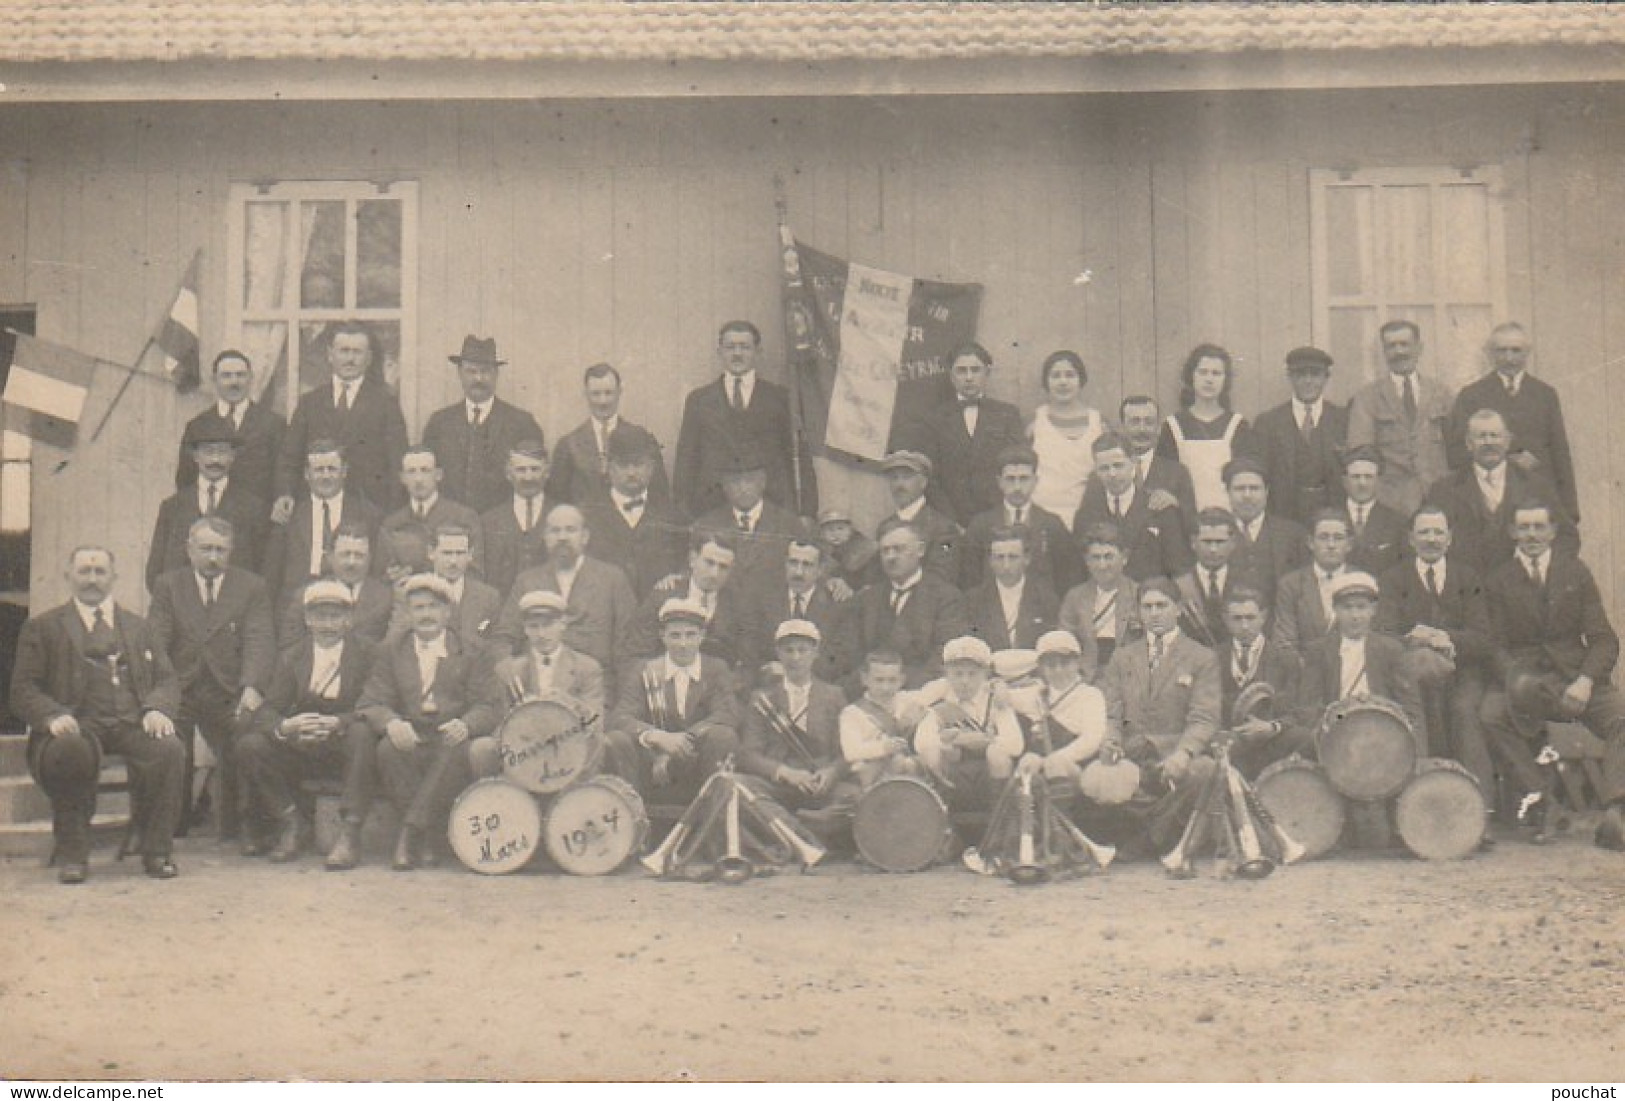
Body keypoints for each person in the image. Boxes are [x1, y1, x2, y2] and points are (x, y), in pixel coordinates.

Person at [10, 547, 186, 882]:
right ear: (69, 577)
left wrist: (157, 709)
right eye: (84, 571)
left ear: (113, 578)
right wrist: (52, 716)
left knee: (169, 748)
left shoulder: (138, 627)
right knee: (69, 749)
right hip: (77, 725)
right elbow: (22, 690)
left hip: (130, 722)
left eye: (100, 572)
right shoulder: (43, 627)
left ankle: (158, 851)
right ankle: (74, 854)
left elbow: (167, 679)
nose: (92, 579)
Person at [1478, 501, 1625, 850]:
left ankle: (1616, 809)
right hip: (1526, 679)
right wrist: (1518, 680)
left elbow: (1604, 639)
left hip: (1575, 675)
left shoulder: (1575, 572)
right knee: (1490, 715)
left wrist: (1586, 681)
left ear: (1553, 532)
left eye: (1539, 527)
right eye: (1524, 528)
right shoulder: (1498, 580)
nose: (1531, 535)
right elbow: (1494, 646)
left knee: (1621, 716)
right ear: (1513, 532)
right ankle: (1545, 801)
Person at [147, 517, 276, 842]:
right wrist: (162, 693)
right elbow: (156, 639)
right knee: (166, 741)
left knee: (247, 735)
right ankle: (166, 826)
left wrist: (251, 686)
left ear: (230, 552)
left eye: (220, 550)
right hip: (180, 688)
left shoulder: (251, 586)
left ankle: (244, 825)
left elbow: (259, 638)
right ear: (189, 550)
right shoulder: (168, 584)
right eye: (205, 549)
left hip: (228, 689)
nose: (213, 557)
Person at [358, 574, 498, 871]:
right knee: (386, 749)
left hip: (450, 735)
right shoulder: (392, 650)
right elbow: (371, 701)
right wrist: (392, 722)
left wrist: (467, 724)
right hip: (412, 733)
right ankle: (429, 836)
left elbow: (488, 705)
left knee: (454, 750)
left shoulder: (472, 650)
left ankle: (409, 834)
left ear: (447, 613)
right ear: (408, 614)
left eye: (434, 607)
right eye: (419, 608)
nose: (426, 615)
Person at [235, 580, 379, 865]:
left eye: (335, 616)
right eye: (320, 616)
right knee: (250, 745)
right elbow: (268, 711)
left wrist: (338, 722)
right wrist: (288, 727)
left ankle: (349, 832)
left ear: (348, 619)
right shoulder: (293, 657)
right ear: (307, 619)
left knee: (362, 734)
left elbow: (373, 704)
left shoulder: (366, 654)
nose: (327, 624)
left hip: (344, 745)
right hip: (303, 746)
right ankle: (290, 820)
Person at [1376, 506, 1496, 801]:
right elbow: (1384, 633)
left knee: (1463, 711)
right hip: (1412, 675)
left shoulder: (1468, 578)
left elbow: (1483, 638)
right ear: (1410, 539)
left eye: (1438, 532)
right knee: (1413, 713)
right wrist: (1414, 639)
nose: (1431, 539)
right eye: (1424, 532)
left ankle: (1478, 805)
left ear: (1450, 538)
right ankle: (1416, 803)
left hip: (1463, 673)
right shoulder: (1393, 578)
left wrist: (1446, 637)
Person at [1097, 576, 1222, 857]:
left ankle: (1147, 840)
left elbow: (1204, 717)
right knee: (1098, 777)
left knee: (1204, 771)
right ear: (1139, 612)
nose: (1154, 613)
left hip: (1174, 754)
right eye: (1147, 607)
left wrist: (1183, 753)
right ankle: (1162, 834)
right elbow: (1112, 712)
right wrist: (1112, 742)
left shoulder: (1202, 657)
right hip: (1133, 754)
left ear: (1178, 609)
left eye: (1161, 606)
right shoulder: (1122, 657)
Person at [673, 320, 816, 520]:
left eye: (745, 347)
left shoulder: (781, 398)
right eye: (730, 347)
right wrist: (683, 509)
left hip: (770, 505)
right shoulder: (699, 400)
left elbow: (799, 455)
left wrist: (807, 511)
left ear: (758, 351)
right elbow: (686, 459)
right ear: (719, 351)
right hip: (712, 505)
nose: (737, 354)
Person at [607, 598, 739, 804]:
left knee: (723, 735)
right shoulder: (646, 669)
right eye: (675, 636)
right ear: (663, 637)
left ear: (702, 636)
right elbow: (620, 717)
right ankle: (631, 817)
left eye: (690, 635)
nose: (683, 644)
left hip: (697, 763)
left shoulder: (715, 669)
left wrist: (681, 741)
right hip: (651, 768)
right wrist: (657, 736)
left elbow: (727, 714)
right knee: (616, 739)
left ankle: (712, 819)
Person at [273, 320, 409, 517]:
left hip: (369, 508)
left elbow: (397, 461)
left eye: (357, 352)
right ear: (330, 355)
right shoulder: (310, 403)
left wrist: (392, 512)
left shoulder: (385, 404)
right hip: (318, 507)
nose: (350, 359)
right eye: (344, 351)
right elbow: (290, 457)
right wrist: (285, 493)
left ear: (369, 358)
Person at [1446, 322, 1578, 522]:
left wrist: (1569, 510)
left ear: (1527, 353)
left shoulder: (1545, 394)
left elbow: (1560, 452)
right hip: (1490, 501)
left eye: (1516, 351)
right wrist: (1507, 459)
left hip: (1537, 498)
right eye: (1502, 351)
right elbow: (1457, 451)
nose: (1509, 358)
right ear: (1490, 354)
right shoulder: (1471, 395)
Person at [1425, 408, 1578, 579]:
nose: (1488, 442)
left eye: (1495, 435)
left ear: (1507, 441)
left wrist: (1540, 574)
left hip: (1520, 591)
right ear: (1468, 443)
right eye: (1481, 436)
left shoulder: (1536, 486)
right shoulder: (1443, 490)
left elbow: (1567, 537)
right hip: (1466, 593)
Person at [496, 504, 638, 684]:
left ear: (584, 537)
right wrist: (509, 669)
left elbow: (628, 645)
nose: (562, 537)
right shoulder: (527, 581)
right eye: (554, 531)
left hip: (596, 690)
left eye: (570, 530)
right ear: (545, 537)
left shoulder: (612, 579)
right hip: (538, 690)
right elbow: (504, 637)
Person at [1292, 571, 1426, 754]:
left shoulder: (1391, 650)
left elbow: (1411, 709)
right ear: (1336, 611)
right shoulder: (1318, 651)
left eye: (1361, 607)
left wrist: (1415, 756)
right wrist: (1332, 727)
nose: (1355, 616)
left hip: (1383, 735)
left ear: (1373, 610)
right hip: (1336, 735)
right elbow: (1308, 707)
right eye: (1347, 608)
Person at [829, 519, 970, 691]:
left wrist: (894, 688)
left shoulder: (946, 598)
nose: (891, 557)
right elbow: (847, 652)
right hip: (867, 694)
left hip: (920, 695)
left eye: (899, 549)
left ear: (920, 550)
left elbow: (944, 658)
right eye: (885, 551)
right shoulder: (867, 599)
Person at [477, 590, 606, 777]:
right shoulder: (512, 670)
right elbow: (500, 724)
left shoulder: (586, 667)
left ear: (563, 624)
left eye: (548, 625)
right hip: (524, 745)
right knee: (482, 748)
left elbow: (594, 720)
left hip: (569, 743)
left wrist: (564, 701)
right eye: (533, 626)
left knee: (599, 742)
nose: (541, 634)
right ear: (525, 629)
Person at [896, 341, 1026, 526]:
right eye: (961, 371)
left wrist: (1002, 513)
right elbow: (929, 477)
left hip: (998, 518)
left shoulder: (1007, 415)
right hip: (952, 520)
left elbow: (1018, 468)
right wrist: (951, 521)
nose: (969, 377)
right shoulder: (934, 419)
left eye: (975, 370)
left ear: (987, 373)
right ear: (951, 376)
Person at [737, 620, 854, 816]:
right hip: (777, 786)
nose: (795, 657)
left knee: (854, 797)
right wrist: (786, 773)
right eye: (788, 650)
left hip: (818, 784)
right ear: (778, 653)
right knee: (739, 789)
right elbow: (749, 755)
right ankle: (805, 826)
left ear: (816, 653)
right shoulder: (762, 699)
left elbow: (846, 752)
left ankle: (787, 827)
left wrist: (831, 773)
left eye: (803, 650)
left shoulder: (834, 696)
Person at [420, 335, 546, 514]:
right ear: (459, 373)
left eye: (485, 371)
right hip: (450, 524)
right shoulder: (439, 423)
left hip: (502, 526)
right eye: (471, 371)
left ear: (496, 374)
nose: (478, 378)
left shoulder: (521, 423)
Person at [1346, 320, 1451, 517]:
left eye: (1405, 344)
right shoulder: (1367, 398)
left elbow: (1456, 447)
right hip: (1391, 501)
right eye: (1391, 346)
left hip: (1438, 495)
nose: (1399, 351)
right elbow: (1361, 452)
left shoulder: (1441, 393)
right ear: (1384, 352)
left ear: (1419, 348)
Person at [148, 421, 268, 590]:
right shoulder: (172, 507)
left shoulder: (253, 508)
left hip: (234, 607)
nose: (215, 460)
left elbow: (261, 570)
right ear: (195, 456)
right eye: (208, 452)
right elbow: (154, 573)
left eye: (222, 452)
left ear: (232, 456)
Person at [262, 440, 382, 604]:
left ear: (344, 471)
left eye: (332, 469)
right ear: (306, 474)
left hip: (349, 600)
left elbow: (375, 569)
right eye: (319, 470)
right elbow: (272, 573)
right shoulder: (289, 513)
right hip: (298, 601)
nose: (326, 476)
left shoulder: (367, 513)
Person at [913, 636, 1024, 811]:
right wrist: (951, 743)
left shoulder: (995, 699)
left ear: (985, 674)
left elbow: (1015, 744)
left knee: (998, 755)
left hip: (989, 777)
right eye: (958, 674)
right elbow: (922, 743)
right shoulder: (938, 697)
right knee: (931, 754)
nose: (965, 681)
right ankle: (941, 818)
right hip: (952, 776)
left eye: (972, 674)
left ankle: (1001, 820)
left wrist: (986, 741)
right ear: (947, 674)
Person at [547, 361, 672, 509]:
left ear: (620, 392)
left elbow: (659, 495)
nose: (603, 401)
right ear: (585, 394)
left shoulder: (643, 439)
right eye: (596, 394)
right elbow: (557, 500)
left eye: (608, 393)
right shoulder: (568, 445)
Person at [578, 431, 687, 602]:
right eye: (623, 465)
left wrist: (677, 577)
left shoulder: (673, 515)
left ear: (651, 467)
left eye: (638, 464)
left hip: (657, 615)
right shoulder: (586, 515)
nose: (631, 472)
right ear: (609, 467)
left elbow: (688, 563)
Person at [1072, 431, 1193, 583]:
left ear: (1134, 464)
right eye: (1104, 468)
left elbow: (1180, 570)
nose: (1112, 474)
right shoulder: (1086, 515)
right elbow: (1077, 571)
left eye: (1118, 465)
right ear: (1096, 471)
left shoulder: (1159, 509)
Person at [692, 449, 804, 613]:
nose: (743, 489)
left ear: (763, 483)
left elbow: (811, 566)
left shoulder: (788, 523)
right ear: (724, 486)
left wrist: (835, 581)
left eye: (750, 481)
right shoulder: (706, 524)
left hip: (773, 615)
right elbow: (692, 570)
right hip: (722, 616)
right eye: (735, 482)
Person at [618, 527, 746, 670]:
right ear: (692, 559)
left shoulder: (738, 606)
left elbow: (747, 663)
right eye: (709, 563)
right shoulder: (663, 596)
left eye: (723, 567)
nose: (714, 574)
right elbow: (635, 655)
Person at [175, 348, 285, 508]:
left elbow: (282, 480)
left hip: (258, 524)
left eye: (240, 375)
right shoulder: (197, 426)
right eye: (226, 376)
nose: (234, 382)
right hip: (212, 521)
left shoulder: (273, 425)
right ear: (214, 380)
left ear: (251, 379)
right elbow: (185, 481)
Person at [960, 445, 1076, 594]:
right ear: (999, 482)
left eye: (1024, 479)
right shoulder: (981, 526)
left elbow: (1066, 578)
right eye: (1010, 479)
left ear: (1035, 481)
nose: (1017, 487)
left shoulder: (1052, 525)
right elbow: (970, 579)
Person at [1252, 345, 1349, 525]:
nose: (1308, 381)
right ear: (1290, 377)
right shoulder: (1268, 423)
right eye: (1300, 374)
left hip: (1332, 519)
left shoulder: (1343, 420)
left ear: (1326, 378)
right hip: (1283, 517)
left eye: (1315, 374)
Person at [1003, 630, 1110, 792]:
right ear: (1042, 668)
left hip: (1078, 767)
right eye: (1051, 665)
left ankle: (1062, 816)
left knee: (1055, 765)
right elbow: (1003, 697)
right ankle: (1028, 815)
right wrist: (997, 685)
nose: (1058, 670)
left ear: (1077, 663)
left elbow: (1091, 741)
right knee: (1026, 762)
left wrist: (1051, 760)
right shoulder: (1037, 694)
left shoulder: (1090, 695)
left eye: (1065, 663)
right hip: (1043, 764)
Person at [1156, 344, 1257, 513]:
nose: (1209, 379)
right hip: (1185, 517)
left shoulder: (1238, 425)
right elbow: (1165, 479)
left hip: (1229, 517)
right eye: (1203, 372)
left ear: (1225, 380)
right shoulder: (1173, 426)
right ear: (1191, 377)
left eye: (1216, 373)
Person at [1215, 587, 1303, 779]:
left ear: (1263, 617)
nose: (1244, 626)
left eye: (1250, 617)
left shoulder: (1286, 659)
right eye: (1237, 619)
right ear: (1226, 619)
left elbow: (1297, 711)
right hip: (1228, 751)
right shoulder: (1212, 658)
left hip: (1272, 749)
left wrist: (1272, 727)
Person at [736, 538, 846, 683]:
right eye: (793, 563)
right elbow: (748, 645)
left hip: (818, 685)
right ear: (785, 564)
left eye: (807, 565)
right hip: (769, 683)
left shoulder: (835, 605)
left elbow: (838, 658)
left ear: (820, 570)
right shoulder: (763, 599)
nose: (798, 572)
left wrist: (790, 670)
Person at [375, 446, 484, 582]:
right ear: (402, 478)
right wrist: (391, 576)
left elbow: (475, 572)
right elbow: (380, 576)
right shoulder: (392, 523)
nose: (418, 479)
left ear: (438, 475)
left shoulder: (463, 517)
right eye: (411, 472)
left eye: (425, 471)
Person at [275, 523, 393, 647]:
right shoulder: (307, 594)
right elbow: (289, 647)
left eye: (359, 556)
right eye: (345, 554)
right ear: (330, 557)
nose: (351, 563)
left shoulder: (385, 597)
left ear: (369, 559)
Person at [382, 525, 501, 646]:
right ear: (431, 553)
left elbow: (495, 645)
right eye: (447, 553)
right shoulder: (411, 591)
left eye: (460, 553)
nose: (453, 561)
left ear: (470, 555)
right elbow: (393, 642)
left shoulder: (488, 596)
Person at [1026, 350, 1105, 529]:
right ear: (1046, 382)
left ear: (1081, 380)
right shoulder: (1035, 423)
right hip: (1043, 516)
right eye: (1055, 376)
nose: (1063, 382)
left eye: (1070, 375)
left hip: (1088, 517)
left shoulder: (1098, 423)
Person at [1270, 510, 1356, 662]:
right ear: (1310, 543)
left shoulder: (1361, 581)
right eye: (1323, 538)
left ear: (1349, 545)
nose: (1331, 545)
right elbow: (1285, 641)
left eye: (1338, 538)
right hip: (1305, 674)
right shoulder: (1291, 584)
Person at [1057, 522, 1140, 680]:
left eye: (1109, 557)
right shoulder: (1075, 597)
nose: (1102, 565)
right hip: (1085, 678)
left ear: (1124, 558)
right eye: (1095, 558)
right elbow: (1064, 642)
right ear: (1087, 561)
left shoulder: (1139, 595)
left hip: (1129, 678)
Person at [1223, 457, 1308, 604]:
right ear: (1228, 492)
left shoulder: (1293, 534)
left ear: (1266, 492)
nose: (1247, 496)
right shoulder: (1216, 533)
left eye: (1254, 488)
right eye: (1240, 488)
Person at [838, 651, 928, 788]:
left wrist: (920, 714)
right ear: (865, 679)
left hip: (911, 774)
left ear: (902, 680)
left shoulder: (910, 701)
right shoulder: (852, 713)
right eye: (879, 680)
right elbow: (851, 752)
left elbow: (942, 686)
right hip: (871, 778)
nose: (885, 687)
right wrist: (884, 747)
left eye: (892, 680)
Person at [1176, 508, 1261, 648]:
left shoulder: (1250, 582)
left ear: (1232, 543)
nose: (1213, 549)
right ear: (1193, 543)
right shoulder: (1179, 585)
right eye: (1207, 542)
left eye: (1220, 542)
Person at [478, 439, 552, 599]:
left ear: (547, 473)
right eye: (521, 470)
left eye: (535, 469)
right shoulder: (489, 521)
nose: (528, 477)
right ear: (508, 474)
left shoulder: (560, 516)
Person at [875, 449, 962, 584]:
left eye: (906, 477)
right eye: (894, 478)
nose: (899, 485)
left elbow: (942, 577)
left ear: (923, 483)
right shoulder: (885, 527)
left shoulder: (944, 529)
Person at [1115, 394, 1198, 536]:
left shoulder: (1177, 473)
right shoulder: (1107, 471)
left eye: (1149, 422)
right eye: (1134, 422)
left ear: (1158, 428)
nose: (1142, 429)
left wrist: (1175, 504)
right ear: (1122, 427)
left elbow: (1193, 525)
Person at [966, 526, 1059, 652]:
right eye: (999, 557)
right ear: (990, 561)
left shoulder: (1046, 598)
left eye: (1013, 557)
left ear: (1026, 559)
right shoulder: (974, 600)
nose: (1006, 566)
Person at [1341, 446, 1407, 576]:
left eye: (1368, 477)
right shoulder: (1328, 518)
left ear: (1379, 480)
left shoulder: (1397, 522)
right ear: (1344, 481)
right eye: (1356, 477)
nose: (1362, 483)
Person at [815, 507, 878, 595]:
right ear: (822, 533)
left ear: (850, 530)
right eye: (830, 529)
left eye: (840, 528)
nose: (835, 534)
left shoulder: (864, 550)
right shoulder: (822, 553)